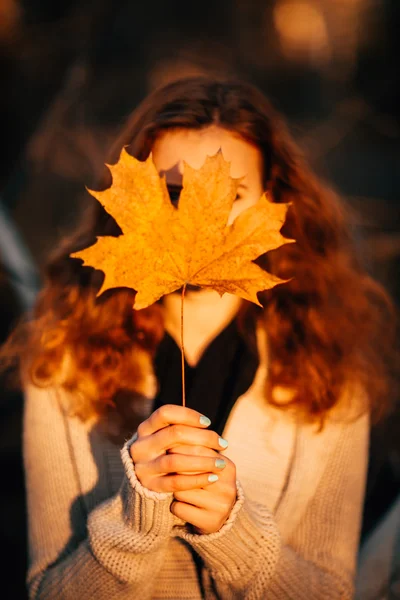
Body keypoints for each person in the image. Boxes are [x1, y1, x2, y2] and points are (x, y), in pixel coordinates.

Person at [0, 76, 398, 599]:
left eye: (230, 193)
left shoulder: (330, 378)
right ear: (130, 208)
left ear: (273, 203)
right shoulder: (62, 364)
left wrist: (233, 531)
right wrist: (134, 524)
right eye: (171, 192)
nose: (198, 218)